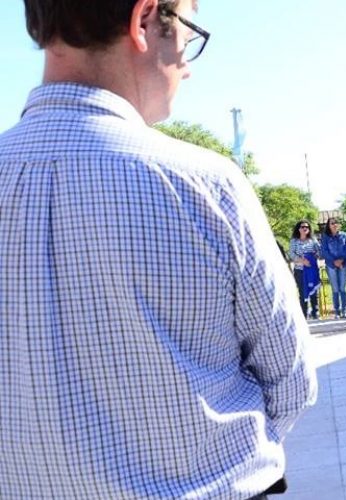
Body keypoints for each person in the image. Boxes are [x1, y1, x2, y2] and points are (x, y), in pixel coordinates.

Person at [0, 2, 317, 496]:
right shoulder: (208, 186)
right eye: (189, 35)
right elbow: (291, 380)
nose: (187, 65)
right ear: (144, 20)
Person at [289, 220, 322, 319]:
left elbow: (319, 251)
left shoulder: (313, 240)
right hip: (300, 270)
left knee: (313, 291)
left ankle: (315, 312)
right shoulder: (294, 241)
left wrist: (316, 255)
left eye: (307, 227)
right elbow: (291, 254)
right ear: (298, 229)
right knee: (303, 291)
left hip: (312, 270)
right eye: (303, 227)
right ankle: (304, 314)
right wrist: (302, 261)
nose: (305, 229)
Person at [321, 217, 346, 319]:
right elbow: (324, 251)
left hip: (344, 264)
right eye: (332, 223)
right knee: (335, 289)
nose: (334, 225)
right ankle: (337, 312)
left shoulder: (344, 235)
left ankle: (344, 311)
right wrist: (334, 261)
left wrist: (341, 260)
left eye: (336, 223)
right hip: (331, 265)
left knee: (343, 288)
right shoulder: (325, 237)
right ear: (329, 226)